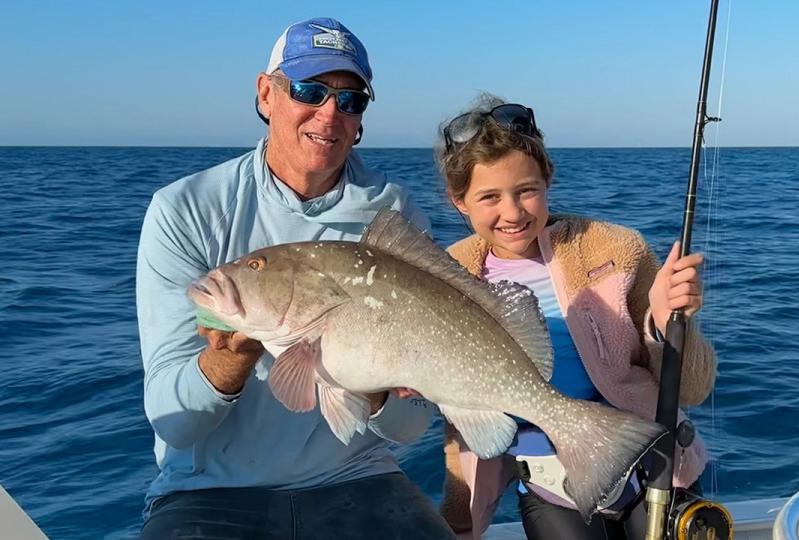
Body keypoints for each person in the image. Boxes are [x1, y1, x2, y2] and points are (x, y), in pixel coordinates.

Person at [136, 17, 456, 539]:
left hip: (360, 476)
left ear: (359, 120)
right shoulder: (185, 210)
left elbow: (410, 427)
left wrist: (374, 389)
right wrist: (228, 360)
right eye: (309, 90)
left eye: (350, 100)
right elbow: (174, 422)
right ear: (266, 94)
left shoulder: (390, 213)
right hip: (209, 491)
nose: (329, 113)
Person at [435, 96, 717, 540]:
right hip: (550, 484)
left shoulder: (617, 249)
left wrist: (665, 325)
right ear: (459, 202)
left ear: (548, 180)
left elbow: (694, 389)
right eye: (489, 197)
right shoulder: (446, 276)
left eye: (526, 190)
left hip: (651, 464)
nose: (512, 212)